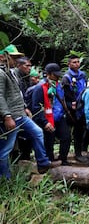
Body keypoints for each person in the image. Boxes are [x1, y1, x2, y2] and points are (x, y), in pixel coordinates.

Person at [0, 45, 51, 178]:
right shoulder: (0, 73)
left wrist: (24, 107)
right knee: (5, 150)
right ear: (2, 57)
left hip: (20, 114)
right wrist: (6, 116)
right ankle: (6, 178)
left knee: (38, 132)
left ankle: (43, 163)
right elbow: (0, 96)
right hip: (11, 116)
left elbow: (16, 94)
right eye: (13, 57)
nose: (16, 60)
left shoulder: (10, 72)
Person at [32, 63, 72, 166]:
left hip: (59, 117)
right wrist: (44, 122)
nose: (58, 76)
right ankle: (49, 163)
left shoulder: (59, 85)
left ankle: (63, 159)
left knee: (66, 137)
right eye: (55, 74)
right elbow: (36, 107)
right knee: (49, 142)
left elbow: (62, 100)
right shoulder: (40, 87)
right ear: (48, 74)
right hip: (47, 119)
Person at [61, 54, 88, 163]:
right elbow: (67, 93)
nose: (77, 64)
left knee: (79, 131)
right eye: (74, 62)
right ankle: (63, 156)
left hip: (81, 106)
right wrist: (73, 104)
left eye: (78, 62)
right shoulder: (66, 77)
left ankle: (78, 153)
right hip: (70, 108)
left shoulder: (82, 75)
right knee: (66, 133)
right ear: (69, 64)